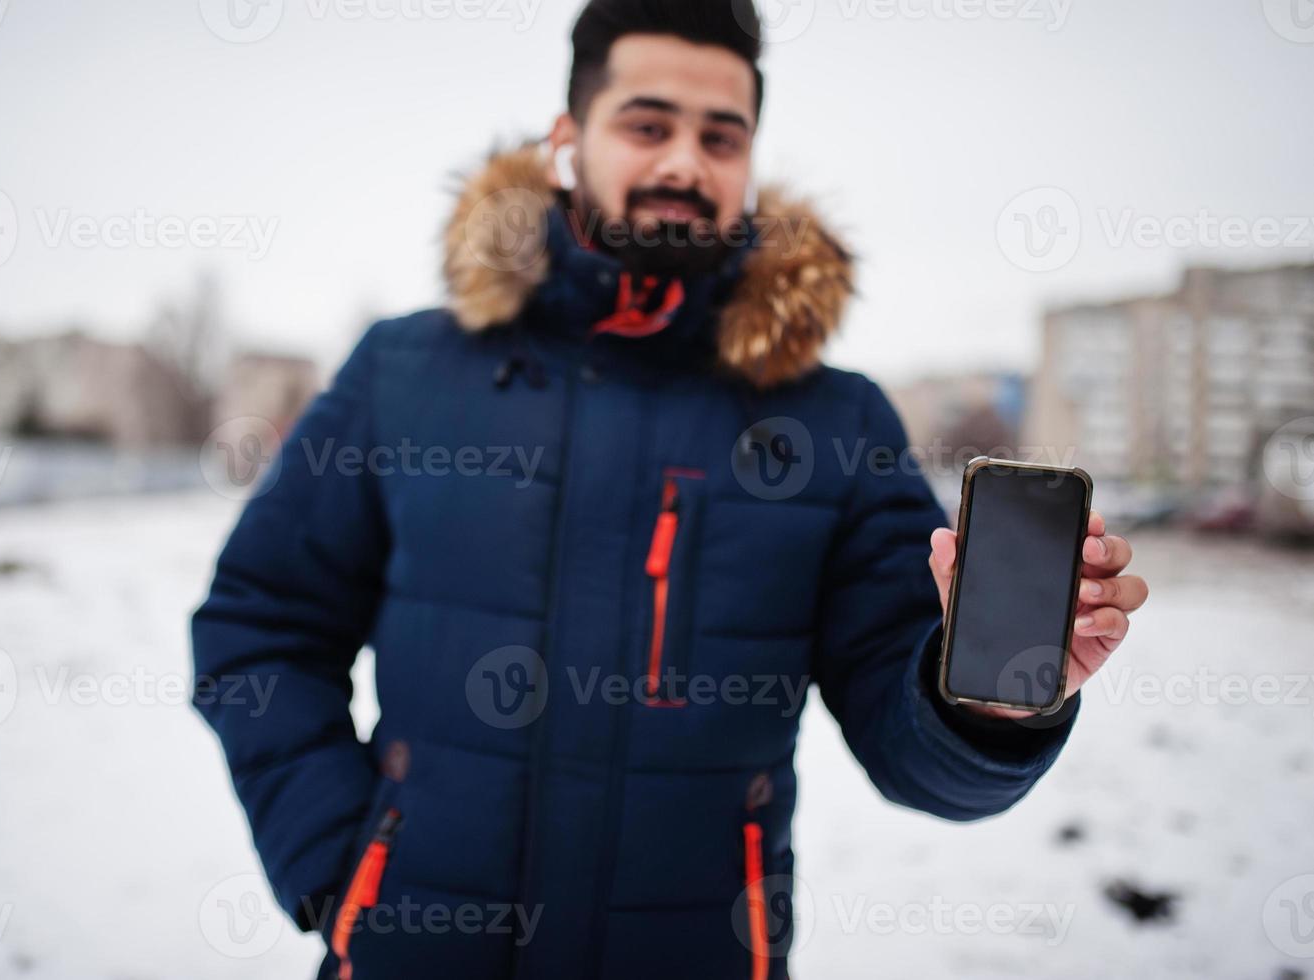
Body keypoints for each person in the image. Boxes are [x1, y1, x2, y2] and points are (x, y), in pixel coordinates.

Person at [190, 1, 1149, 977]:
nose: (685, 163)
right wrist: (336, 871)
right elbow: (258, 624)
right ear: (569, 140)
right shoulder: (405, 373)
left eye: (720, 136)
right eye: (648, 125)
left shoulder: (833, 423)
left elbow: (915, 749)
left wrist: (991, 702)